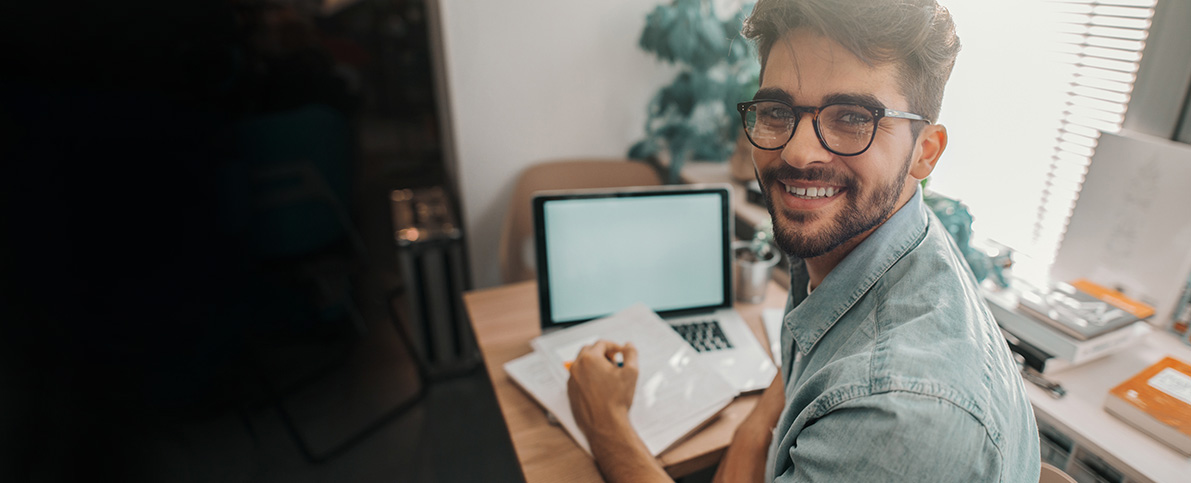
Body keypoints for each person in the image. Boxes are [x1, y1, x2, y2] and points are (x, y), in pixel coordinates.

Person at [565, 0, 1042, 481]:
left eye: (853, 117)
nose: (797, 151)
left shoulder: (902, 419)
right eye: (776, 111)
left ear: (925, 153)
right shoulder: (871, 245)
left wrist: (605, 421)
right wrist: (755, 432)